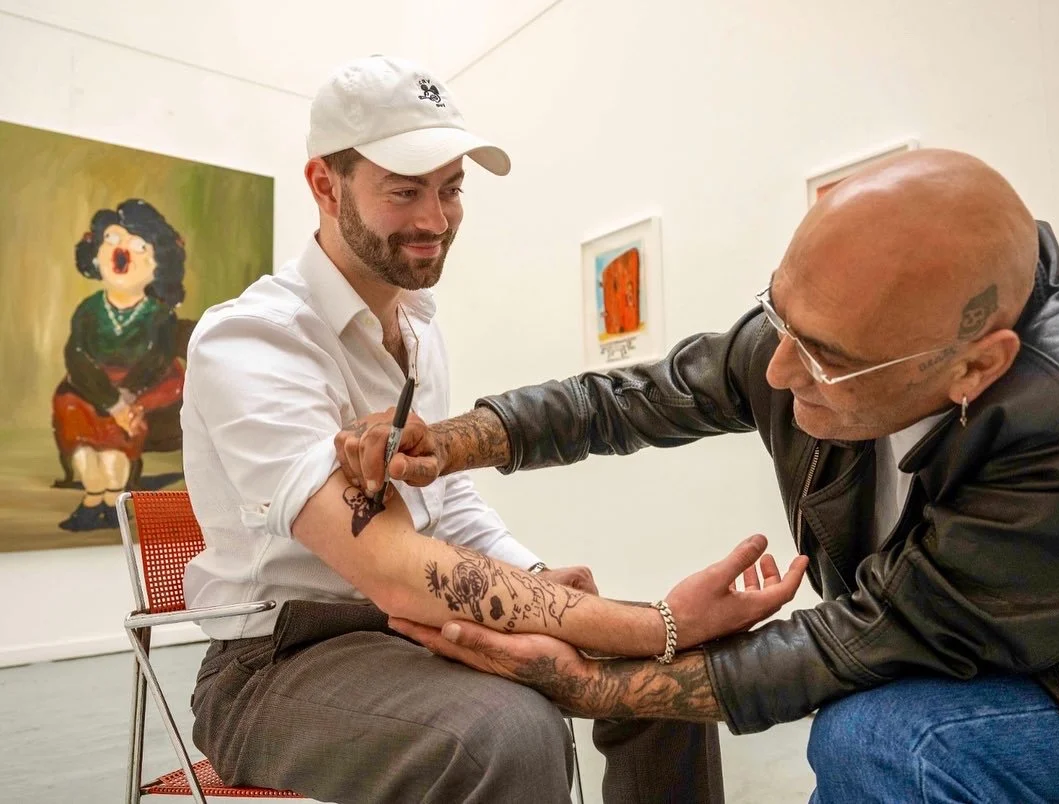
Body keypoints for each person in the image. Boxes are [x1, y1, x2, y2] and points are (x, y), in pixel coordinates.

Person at [342, 148, 1059, 802]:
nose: (777, 373)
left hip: (1044, 684)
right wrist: (446, 442)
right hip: (936, 646)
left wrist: (585, 682)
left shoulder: (1049, 430)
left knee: (878, 736)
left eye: (823, 361)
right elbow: (631, 400)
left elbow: (866, 639)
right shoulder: (813, 337)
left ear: (976, 366)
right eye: (776, 319)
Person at [180, 55, 806, 804]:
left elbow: (450, 508)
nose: (435, 221)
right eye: (404, 191)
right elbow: (388, 565)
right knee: (506, 729)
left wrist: (538, 580)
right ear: (324, 184)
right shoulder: (251, 342)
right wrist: (655, 623)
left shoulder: (416, 328)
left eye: (450, 191)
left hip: (409, 627)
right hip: (279, 665)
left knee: (663, 687)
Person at [54, 199, 185, 531]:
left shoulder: (159, 316)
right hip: (87, 392)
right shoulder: (87, 310)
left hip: (138, 395)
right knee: (84, 456)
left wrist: (125, 401)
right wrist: (109, 400)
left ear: (159, 265)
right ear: (96, 254)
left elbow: (157, 364)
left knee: (113, 457)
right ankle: (92, 499)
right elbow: (76, 357)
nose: (121, 250)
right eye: (111, 239)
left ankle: (113, 502)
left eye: (139, 245)